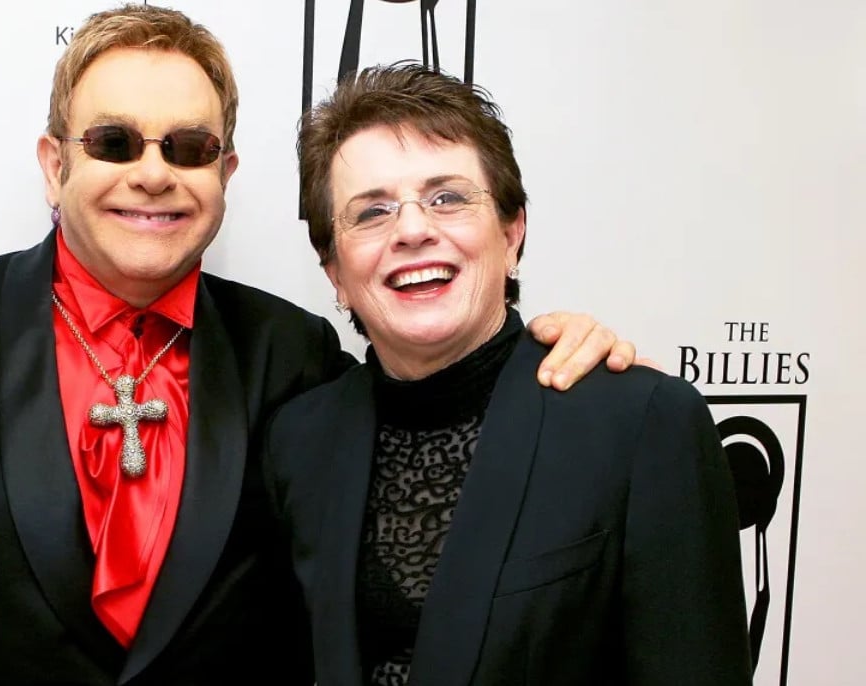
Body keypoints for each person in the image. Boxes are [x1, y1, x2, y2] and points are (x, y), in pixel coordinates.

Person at [0, 5, 639, 685]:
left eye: (189, 148)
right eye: (113, 143)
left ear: (225, 174)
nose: (153, 173)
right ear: (55, 165)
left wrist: (549, 354)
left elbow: (440, 419)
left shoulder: (294, 357)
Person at [264, 64, 753, 686]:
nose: (412, 229)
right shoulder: (298, 443)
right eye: (372, 212)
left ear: (512, 232)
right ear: (335, 271)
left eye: (447, 197)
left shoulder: (641, 424)